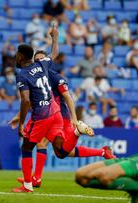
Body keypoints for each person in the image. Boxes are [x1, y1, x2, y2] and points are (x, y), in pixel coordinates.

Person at [11, 29, 100, 193]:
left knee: (27, 147)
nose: (15, 56)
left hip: (42, 116)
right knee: (60, 151)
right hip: (56, 113)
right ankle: (76, 132)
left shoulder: (22, 75)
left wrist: (21, 122)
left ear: (21, 57)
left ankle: (27, 185)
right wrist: (56, 38)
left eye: (17, 54)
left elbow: (25, 100)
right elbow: (55, 52)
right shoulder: (42, 64)